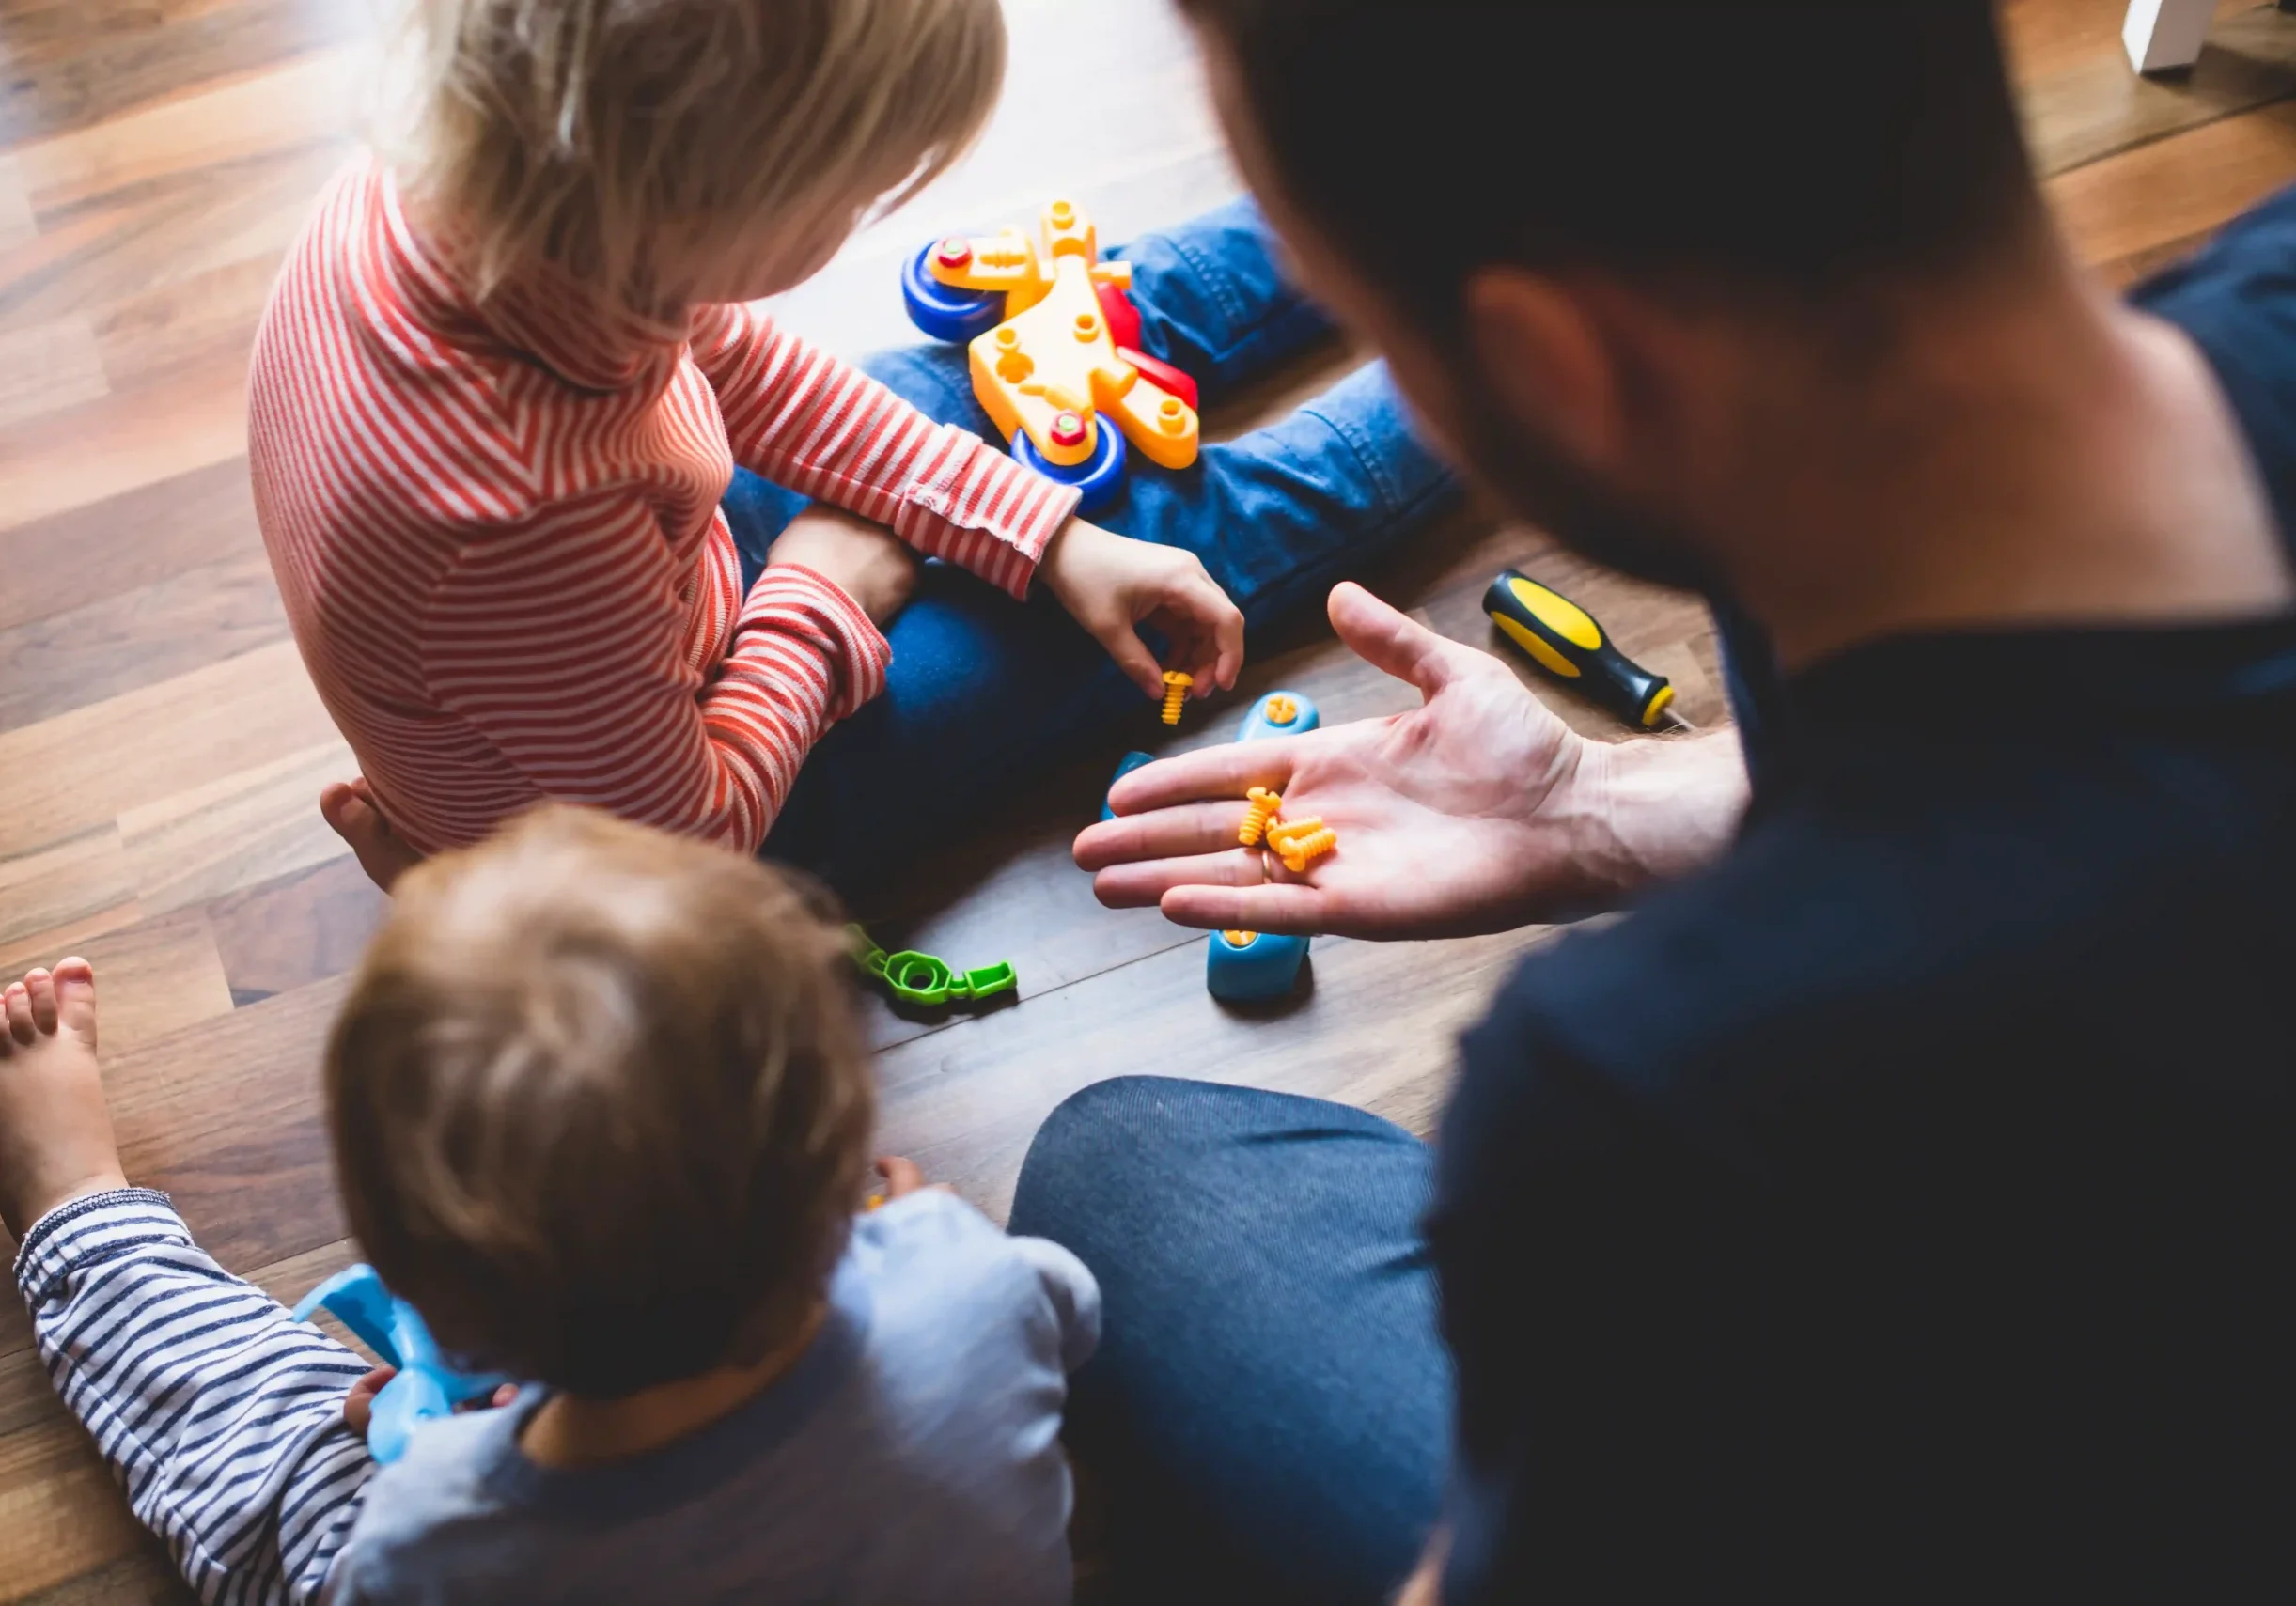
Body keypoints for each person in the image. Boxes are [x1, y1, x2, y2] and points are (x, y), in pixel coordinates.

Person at [1019, 2, 2296, 1600]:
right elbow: (2093, 764)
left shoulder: (1660, 1097)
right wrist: (1601, 806)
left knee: (1130, 1172)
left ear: (1564, 370)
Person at [264, 0, 1453, 896]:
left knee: (1070, 340)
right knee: (1176, 542)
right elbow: (694, 829)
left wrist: (1042, 530)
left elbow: (733, 366)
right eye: (854, 197)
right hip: (672, 837)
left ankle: (1441, 160)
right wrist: (820, 601)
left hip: (656, 572)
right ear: (687, 212)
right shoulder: (514, 512)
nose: (862, 219)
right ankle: (1497, 360)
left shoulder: (488, 202)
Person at [0, 807, 1100, 1604]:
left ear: (435, 1315)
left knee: (277, 1469)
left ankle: (79, 1207)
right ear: (845, 1161)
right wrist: (920, 1244)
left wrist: (433, 1442)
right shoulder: (978, 1278)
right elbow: (1057, 1322)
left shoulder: (431, 1534)